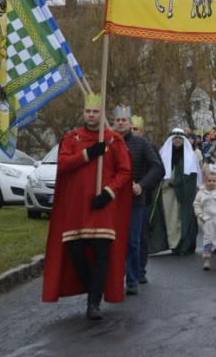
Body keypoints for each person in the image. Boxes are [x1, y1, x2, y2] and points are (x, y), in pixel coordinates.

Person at [42, 93, 132, 320]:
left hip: (102, 206)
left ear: (102, 114)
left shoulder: (114, 140)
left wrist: (108, 193)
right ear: (83, 113)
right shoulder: (72, 139)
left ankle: (94, 304)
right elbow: (62, 165)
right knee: (76, 252)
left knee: (102, 255)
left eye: (96, 112)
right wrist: (89, 153)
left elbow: (125, 172)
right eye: (88, 111)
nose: (91, 115)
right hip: (77, 208)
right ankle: (94, 285)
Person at [112, 106, 163, 295]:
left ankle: (133, 279)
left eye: (124, 120)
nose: (120, 123)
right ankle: (115, 279)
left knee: (133, 241)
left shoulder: (141, 144)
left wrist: (141, 185)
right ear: (113, 122)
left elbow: (157, 168)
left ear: (130, 123)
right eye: (117, 120)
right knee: (113, 241)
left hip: (135, 201)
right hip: (113, 200)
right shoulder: (108, 142)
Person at [150, 129, 202, 255]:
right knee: (170, 219)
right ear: (171, 140)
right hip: (167, 193)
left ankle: (184, 245)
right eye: (175, 138)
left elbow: (193, 177)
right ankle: (173, 244)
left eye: (180, 138)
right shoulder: (164, 155)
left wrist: (178, 181)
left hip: (185, 194)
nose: (177, 140)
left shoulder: (190, 156)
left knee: (184, 218)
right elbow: (158, 173)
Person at [130, 115, 161, 284]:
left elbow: (158, 170)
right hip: (122, 200)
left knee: (140, 236)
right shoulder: (120, 144)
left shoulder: (148, 147)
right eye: (131, 128)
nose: (133, 132)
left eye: (136, 129)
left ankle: (140, 270)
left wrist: (144, 185)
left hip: (144, 199)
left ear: (141, 131)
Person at [193, 169, 216, 270]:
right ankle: (206, 260)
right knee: (207, 240)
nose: (211, 183)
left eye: (214, 181)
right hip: (207, 220)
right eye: (209, 181)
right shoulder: (201, 192)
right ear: (205, 181)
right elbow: (196, 205)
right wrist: (200, 215)